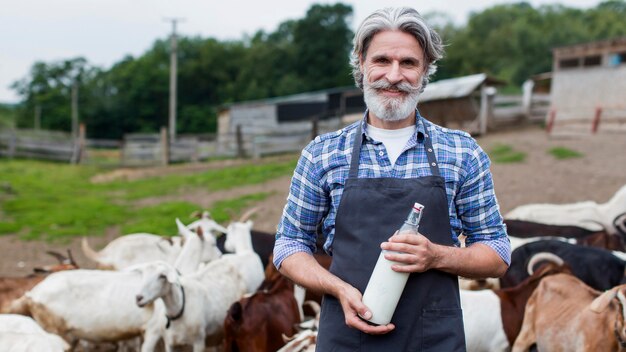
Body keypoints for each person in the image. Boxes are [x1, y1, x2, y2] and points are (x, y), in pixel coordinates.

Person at [273, 7, 510, 351]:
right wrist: (339, 289)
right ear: (362, 63)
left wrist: (437, 256)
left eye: (409, 63)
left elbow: (498, 253)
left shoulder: (462, 152)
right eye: (382, 60)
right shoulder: (323, 153)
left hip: (434, 339)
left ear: (425, 70)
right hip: (347, 336)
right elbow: (289, 245)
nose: (394, 76)